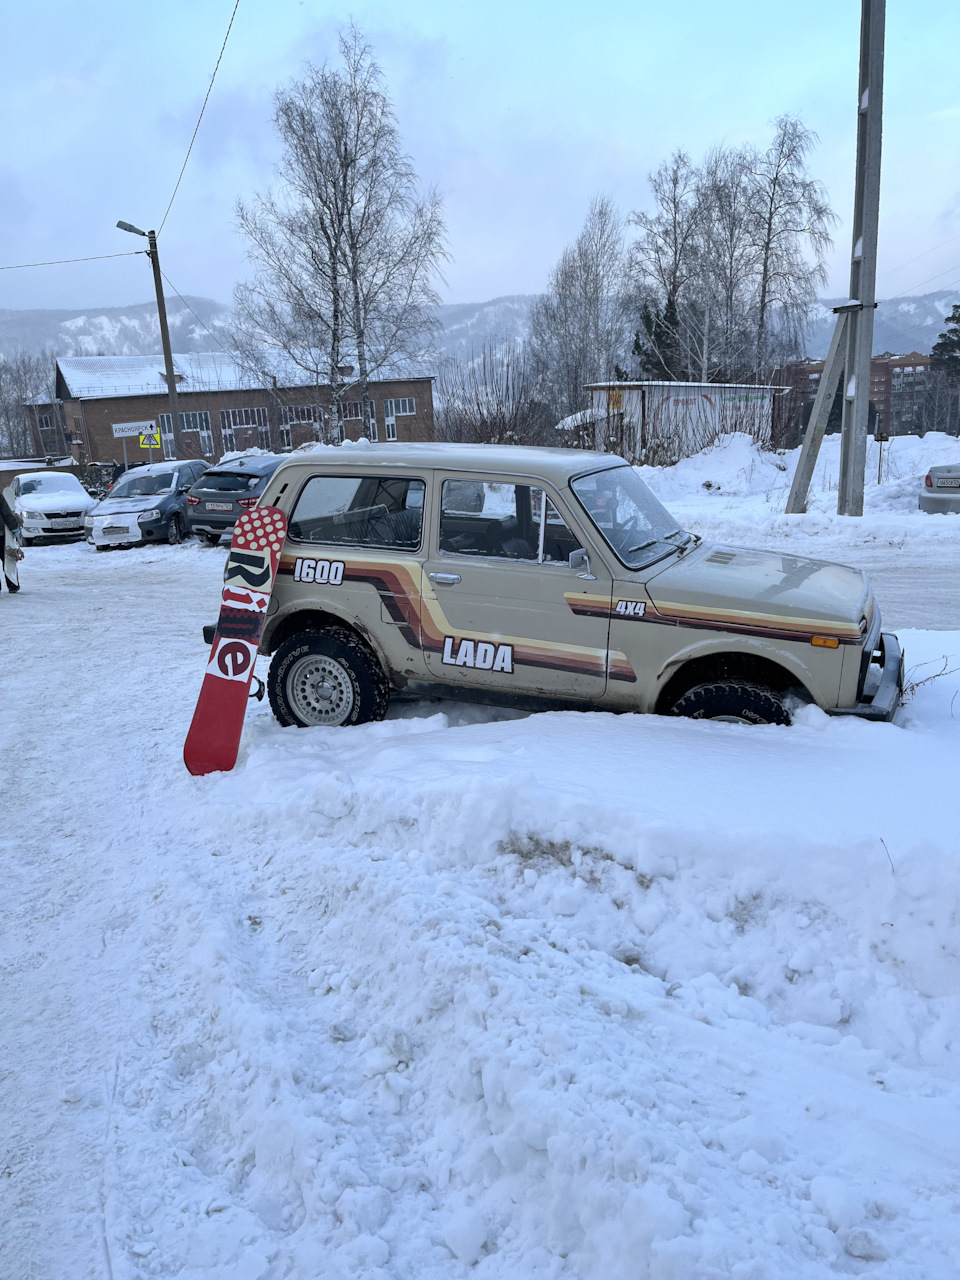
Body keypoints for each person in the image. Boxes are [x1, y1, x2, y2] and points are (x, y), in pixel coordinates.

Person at [1, 487, 23, 593]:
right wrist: (14, 528)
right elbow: (7, 513)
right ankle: (13, 585)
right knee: (7, 558)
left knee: (7, 558)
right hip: (1, 535)